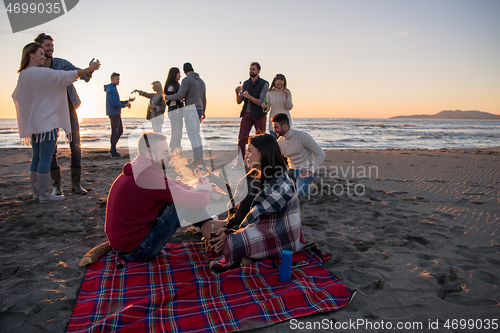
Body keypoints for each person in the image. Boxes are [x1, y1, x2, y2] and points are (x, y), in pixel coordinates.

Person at [104, 132, 214, 262]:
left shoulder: (139, 169)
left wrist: (194, 189)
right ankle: (210, 227)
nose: (170, 155)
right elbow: (201, 201)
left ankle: (207, 225)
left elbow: (170, 183)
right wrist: (206, 189)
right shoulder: (150, 178)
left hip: (122, 244)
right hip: (138, 250)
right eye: (165, 152)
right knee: (184, 201)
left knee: (179, 195)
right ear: (150, 155)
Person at [12, 42, 100, 203]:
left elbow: (16, 96)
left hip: (34, 123)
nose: (43, 57)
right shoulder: (42, 73)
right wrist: (90, 68)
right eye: (40, 53)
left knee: (37, 157)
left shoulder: (23, 74)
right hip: (47, 122)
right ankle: (46, 195)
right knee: (45, 157)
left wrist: (31, 111)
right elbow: (66, 77)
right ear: (31, 54)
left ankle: (38, 193)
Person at [203, 134, 305, 272]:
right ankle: (252, 256)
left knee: (232, 243)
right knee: (210, 229)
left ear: (262, 153)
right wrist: (228, 228)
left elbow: (254, 218)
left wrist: (230, 234)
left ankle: (247, 256)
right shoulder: (253, 175)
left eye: (250, 151)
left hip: (278, 231)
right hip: (256, 227)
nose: (246, 155)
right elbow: (243, 208)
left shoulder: (280, 182)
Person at [35, 33, 97, 195]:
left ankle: (76, 184)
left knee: (75, 146)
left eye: (52, 45)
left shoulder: (61, 63)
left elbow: (80, 74)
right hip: (51, 112)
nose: (50, 49)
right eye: (47, 45)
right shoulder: (37, 70)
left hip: (69, 109)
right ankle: (57, 186)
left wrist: (89, 70)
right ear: (39, 47)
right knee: (51, 149)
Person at [272, 113, 325, 195]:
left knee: (298, 193)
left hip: (305, 171)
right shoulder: (280, 142)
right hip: (291, 171)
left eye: (276, 127)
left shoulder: (302, 136)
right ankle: (297, 184)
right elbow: (275, 159)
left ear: (285, 126)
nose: (274, 130)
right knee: (280, 191)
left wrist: (311, 171)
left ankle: (311, 187)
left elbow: (320, 153)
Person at [164, 63, 206, 166]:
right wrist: (204, 111)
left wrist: (166, 97)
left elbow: (180, 95)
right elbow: (204, 99)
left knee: (192, 135)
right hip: (199, 109)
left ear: (184, 71)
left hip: (191, 110)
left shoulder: (187, 80)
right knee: (197, 134)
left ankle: (196, 159)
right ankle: (200, 157)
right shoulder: (201, 81)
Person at [233, 62, 269, 168]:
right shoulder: (245, 84)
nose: (251, 71)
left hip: (259, 114)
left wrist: (248, 96)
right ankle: (239, 163)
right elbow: (239, 101)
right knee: (241, 139)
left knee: (260, 140)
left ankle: (260, 163)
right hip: (247, 113)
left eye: (253, 69)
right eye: (250, 69)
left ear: (258, 71)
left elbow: (260, 101)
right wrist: (237, 93)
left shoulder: (264, 84)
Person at [104, 73, 134, 158]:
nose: (118, 81)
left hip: (115, 112)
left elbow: (117, 101)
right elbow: (114, 103)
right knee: (115, 132)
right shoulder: (111, 89)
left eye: (119, 79)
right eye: (116, 79)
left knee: (119, 131)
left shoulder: (112, 88)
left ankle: (112, 149)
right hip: (114, 113)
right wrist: (125, 105)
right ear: (112, 79)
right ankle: (113, 152)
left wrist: (127, 101)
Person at [262, 74, 293, 139]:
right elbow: (266, 110)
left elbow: (289, 107)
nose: (279, 86)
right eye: (278, 84)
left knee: (286, 144)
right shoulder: (269, 93)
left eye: (281, 84)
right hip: (274, 122)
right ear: (274, 83)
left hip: (285, 122)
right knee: (275, 145)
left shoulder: (287, 92)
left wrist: (287, 98)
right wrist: (264, 106)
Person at [163, 67, 184, 154]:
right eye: (179, 73)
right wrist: (179, 98)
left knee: (178, 132)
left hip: (178, 112)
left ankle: (177, 149)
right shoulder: (171, 86)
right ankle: (173, 150)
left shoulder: (177, 85)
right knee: (176, 132)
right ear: (174, 74)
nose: (180, 75)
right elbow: (168, 101)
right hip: (174, 112)